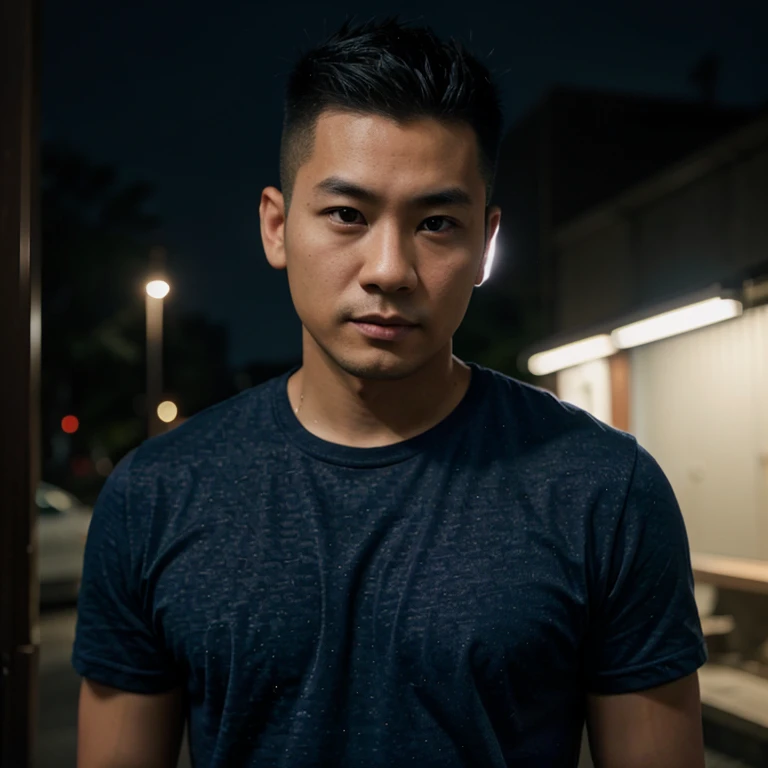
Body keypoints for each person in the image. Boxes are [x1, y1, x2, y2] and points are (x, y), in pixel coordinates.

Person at [73, 17, 707, 768]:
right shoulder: (157, 495)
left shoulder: (604, 491)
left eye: (436, 223)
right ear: (277, 228)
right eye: (347, 214)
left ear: (486, 243)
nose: (389, 269)